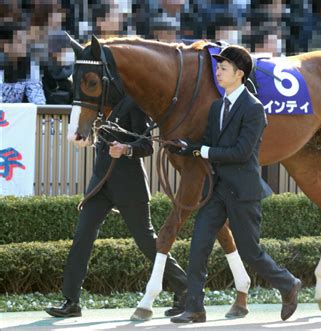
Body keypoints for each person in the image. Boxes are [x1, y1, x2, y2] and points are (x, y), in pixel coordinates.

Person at [169, 45, 302, 323]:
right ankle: (195, 308)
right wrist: (187, 148)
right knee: (198, 245)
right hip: (217, 191)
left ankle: (288, 284)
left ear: (239, 74)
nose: (218, 71)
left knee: (251, 253)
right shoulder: (217, 106)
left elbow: (241, 152)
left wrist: (202, 152)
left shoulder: (254, 109)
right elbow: (208, 144)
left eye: (224, 68)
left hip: (243, 192)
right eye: (218, 67)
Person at [45, 95, 187, 318]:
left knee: (147, 242)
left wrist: (125, 149)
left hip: (129, 184)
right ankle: (71, 301)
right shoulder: (97, 104)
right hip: (100, 183)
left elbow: (146, 145)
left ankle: (185, 288)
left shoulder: (133, 103)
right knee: (82, 236)